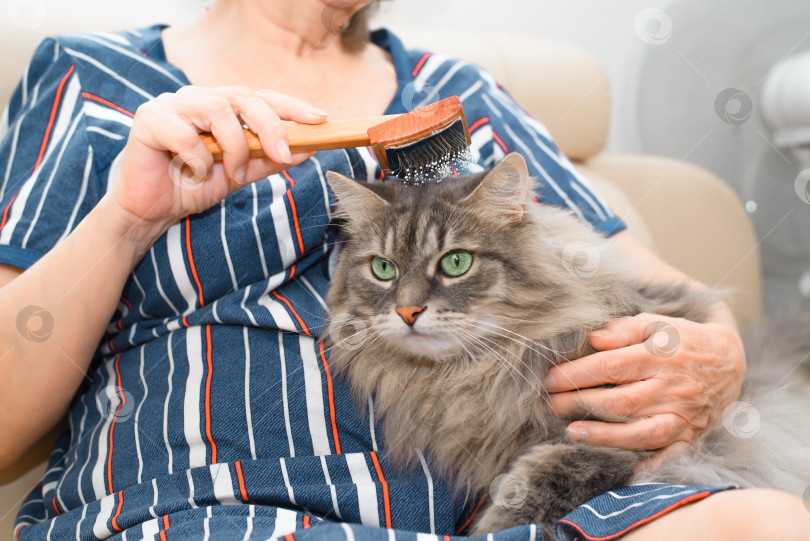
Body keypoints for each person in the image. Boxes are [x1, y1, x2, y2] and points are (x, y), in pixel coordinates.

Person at [0, 1, 807, 539]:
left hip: (489, 513)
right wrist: (127, 218)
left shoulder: (456, 95)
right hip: (200, 506)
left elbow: (655, 287)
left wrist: (717, 360)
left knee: (765, 522)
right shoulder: (97, 80)